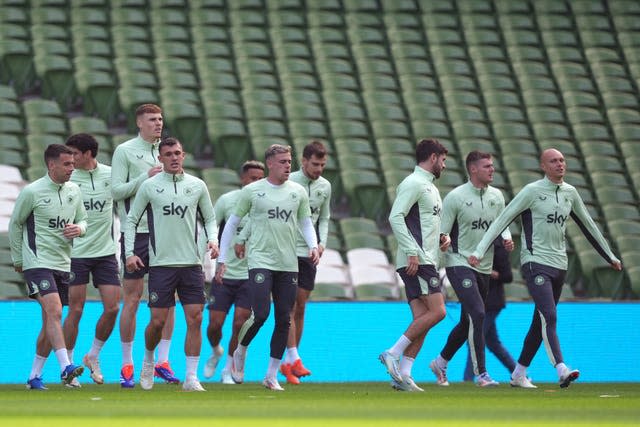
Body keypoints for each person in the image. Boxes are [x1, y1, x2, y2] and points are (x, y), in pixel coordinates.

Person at [469, 148, 623, 388]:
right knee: (549, 315)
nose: (560, 164)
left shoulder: (570, 193)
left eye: (562, 160)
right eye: (553, 161)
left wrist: (610, 256)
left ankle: (519, 373)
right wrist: (479, 251)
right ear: (543, 166)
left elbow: (589, 226)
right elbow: (502, 219)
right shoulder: (531, 192)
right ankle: (561, 368)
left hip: (560, 265)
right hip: (535, 262)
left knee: (538, 321)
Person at [216, 144, 319, 391]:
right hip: (261, 261)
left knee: (284, 319)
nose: (287, 166)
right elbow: (231, 225)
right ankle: (240, 350)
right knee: (260, 314)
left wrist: (313, 245)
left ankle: (271, 375)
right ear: (270, 163)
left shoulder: (298, 192)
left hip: (288, 263)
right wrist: (222, 259)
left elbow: (305, 222)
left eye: (289, 161)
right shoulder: (252, 191)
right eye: (283, 161)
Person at [124, 137, 219, 392]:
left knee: (196, 318)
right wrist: (130, 253)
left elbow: (210, 219)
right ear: (161, 158)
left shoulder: (197, 185)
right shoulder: (150, 186)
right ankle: (148, 360)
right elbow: (131, 220)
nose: (174, 157)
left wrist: (213, 240)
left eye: (178, 153)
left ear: (183, 155)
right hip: (161, 265)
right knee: (157, 322)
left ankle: (191, 377)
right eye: (168, 154)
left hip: (191, 264)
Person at [429, 151, 513, 388]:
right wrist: (443, 243)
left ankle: (441, 361)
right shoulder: (456, 197)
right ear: (473, 169)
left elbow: (502, 225)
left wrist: (506, 239)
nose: (492, 169)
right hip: (459, 262)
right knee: (478, 313)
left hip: (483, 266)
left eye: (492, 166)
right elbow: (443, 231)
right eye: (487, 166)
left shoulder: (497, 196)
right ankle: (482, 374)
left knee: (468, 321)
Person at [9, 144, 87, 390]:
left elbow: (83, 218)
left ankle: (34, 376)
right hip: (37, 261)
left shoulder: (74, 190)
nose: (72, 168)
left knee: (50, 320)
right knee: (54, 311)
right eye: (67, 164)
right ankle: (67, 367)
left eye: (73, 164)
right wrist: (19, 259)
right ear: (51, 164)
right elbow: (15, 224)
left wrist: (80, 229)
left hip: (62, 262)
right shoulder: (32, 192)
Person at [112, 103, 179, 387]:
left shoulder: (168, 151)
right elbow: (115, 191)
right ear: (140, 123)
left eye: (161, 119)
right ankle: (127, 363)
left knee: (169, 299)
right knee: (132, 298)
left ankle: (162, 360)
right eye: (152, 119)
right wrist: (144, 178)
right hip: (136, 233)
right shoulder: (125, 151)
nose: (158, 123)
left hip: (166, 234)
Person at [378, 138, 450, 392]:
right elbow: (395, 216)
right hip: (417, 259)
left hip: (425, 257)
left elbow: (423, 222)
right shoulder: (413, 183)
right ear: (432, 158)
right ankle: (392, 353)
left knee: (423, 318)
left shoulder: (429, 187)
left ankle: (405, 375)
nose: (444, 165)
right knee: (438, 312)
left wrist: (442, 237)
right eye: (442, 160)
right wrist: (412, 252)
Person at [61, 134, 121, 387]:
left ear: (87, 154)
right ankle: (69, 367)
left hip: (106, 253)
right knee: (75, 309)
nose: (70, 159)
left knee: (112, 308)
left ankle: (92, 355)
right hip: (76, 254)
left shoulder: (111, 174)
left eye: (74, 154)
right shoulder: (68, 179)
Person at [204, 160, 265, 384]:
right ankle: (216, 351)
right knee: (214, 326)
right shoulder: (227, 201)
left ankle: (227, 369)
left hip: (250, 275)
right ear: (243, 179)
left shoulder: (267, 204)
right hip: (224, 273)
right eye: (253, 178)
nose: (257, 183)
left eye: (261, 178)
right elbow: (211, 225)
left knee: (240, 323)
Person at [280, 140, 332, 385]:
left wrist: (322, 243)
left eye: (322, 165)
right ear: (303, 161)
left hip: (310, 254)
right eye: (315, 164)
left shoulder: (325, 186)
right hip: (289, 251)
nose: (319, 169)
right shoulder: (290, 183)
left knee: (300, 307)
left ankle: (291, 362)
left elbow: (324, 217)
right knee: (289, 307)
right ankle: (292, 359)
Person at [463, 237, 516, 382]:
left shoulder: (498, 247)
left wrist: (487, 272)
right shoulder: (474, 243)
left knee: (475, 338)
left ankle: (468, 378)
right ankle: (518, 372)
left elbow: (508, 276)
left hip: (492, 302)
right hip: (479, 299)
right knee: (493, 344)